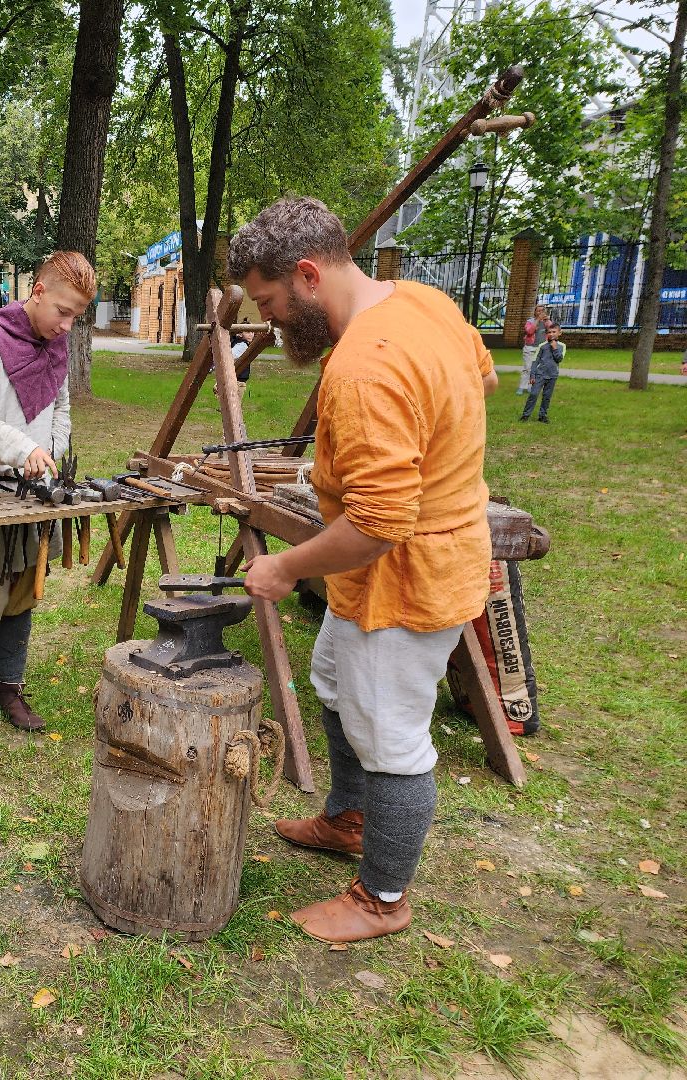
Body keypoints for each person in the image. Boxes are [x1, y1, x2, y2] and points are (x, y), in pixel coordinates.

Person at [229, 197, 498, 944]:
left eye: (272, 303)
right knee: (332, 683)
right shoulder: (424, 303)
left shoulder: (361, 368)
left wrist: (284, 567)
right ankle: (348, 820)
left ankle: (383, 897)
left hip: (409, 581)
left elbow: (380, 523)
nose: (272, 320)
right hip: (381, 571)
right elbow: (481, 383)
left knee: (394, 740)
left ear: (309, 276)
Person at [0, 251, 94, 734]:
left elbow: (61, 409)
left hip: (34, 495)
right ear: (38, 291)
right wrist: (22, 446)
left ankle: (10, 687)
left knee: (24, 591)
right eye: (63, 311)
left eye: (77, 317)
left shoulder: (56, 347)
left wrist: (48, 454)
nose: (68, 326)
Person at [520, 322, 564, 423]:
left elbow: (559, 359)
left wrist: (555, 348)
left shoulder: (562, 346)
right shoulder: (542, 346)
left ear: (559, 333)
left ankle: (542, 416)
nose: (551, 334)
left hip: (552, 375)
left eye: (554, 332)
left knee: (547, 397)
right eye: (549, 332)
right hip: (540, 375)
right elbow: (535, 361)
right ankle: (525, 415)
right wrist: (532, 375)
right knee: (534, 394)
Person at [517, 303, 549, 394]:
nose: (540, 312)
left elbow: (552, 330)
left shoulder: (546, 322)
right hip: (530, 348)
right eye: (538, 310)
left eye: (542, 311)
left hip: (541, 348)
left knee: (538, 369)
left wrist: (548, 320)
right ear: (535, 312)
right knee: (527, 367)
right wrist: (538, 320)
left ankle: (532, 387)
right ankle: (522, 387)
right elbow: (530, 331)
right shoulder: (530, 321)